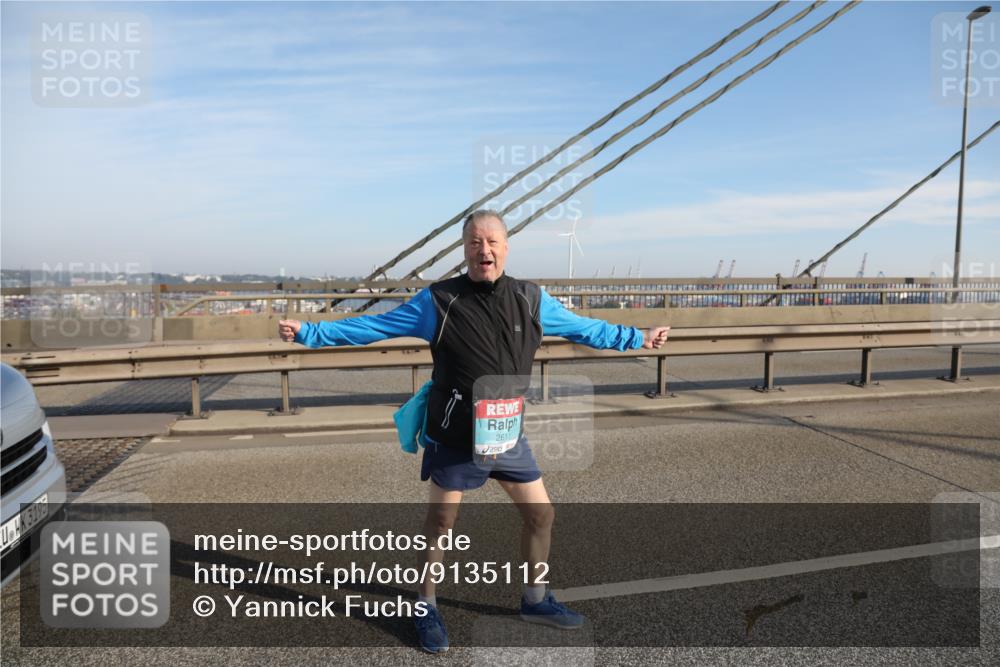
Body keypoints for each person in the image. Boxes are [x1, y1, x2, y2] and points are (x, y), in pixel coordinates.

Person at [278, 210, 669, 653]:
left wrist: (637, 338)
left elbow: (586, 328)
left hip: (506, 434)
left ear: (506, 246)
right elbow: (372, 327)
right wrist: (310, 332)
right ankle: (424, 606)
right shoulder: (438, 302)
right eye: (475, 243)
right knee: (441, 523)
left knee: (541, 516)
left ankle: (535, 600)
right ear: (464, 249)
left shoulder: (531, 299)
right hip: (457, 433)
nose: (484, 250)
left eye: (493, 242)